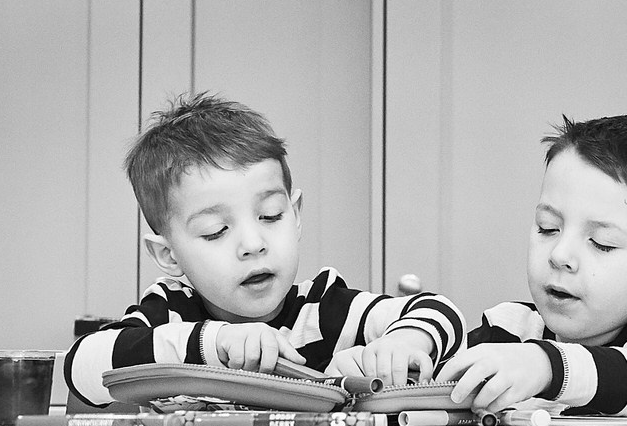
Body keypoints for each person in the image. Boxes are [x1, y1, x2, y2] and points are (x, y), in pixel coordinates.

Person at [64, 92, 464, 407]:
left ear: (296, 214)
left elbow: (441, 311)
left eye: (270, 216)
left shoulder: (326, 310)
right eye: (215, 231)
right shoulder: (169, 314)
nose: (253, 245)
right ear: (169, 256)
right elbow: (80, 365)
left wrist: (407, 342)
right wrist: (213, 343)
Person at [438, 114, 627, 416]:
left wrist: (547, 367)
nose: (560, 255)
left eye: (602, 243)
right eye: (548, 228)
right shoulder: (511, 330)